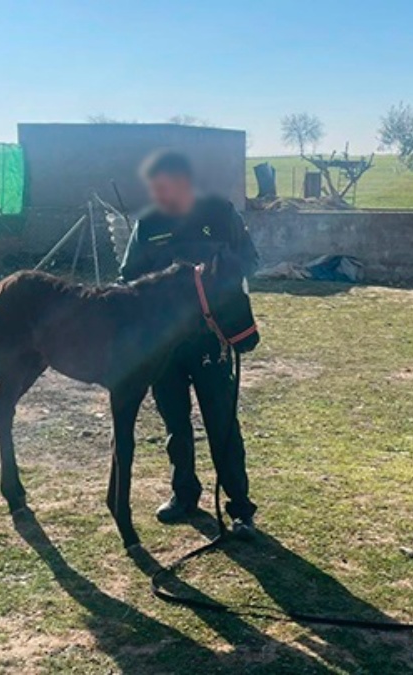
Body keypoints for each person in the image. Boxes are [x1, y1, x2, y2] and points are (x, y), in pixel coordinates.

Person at [119, 149, 260, 539]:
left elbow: (251, 260)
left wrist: (220, 274)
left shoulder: (220, 214)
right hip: (164, 347)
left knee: (222, 425)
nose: (159, 195)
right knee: (175, 425)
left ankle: (240, 509)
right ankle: (184, 496)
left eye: (165, 187)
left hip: (212, 343)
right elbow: (128, 277)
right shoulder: (148, 224)